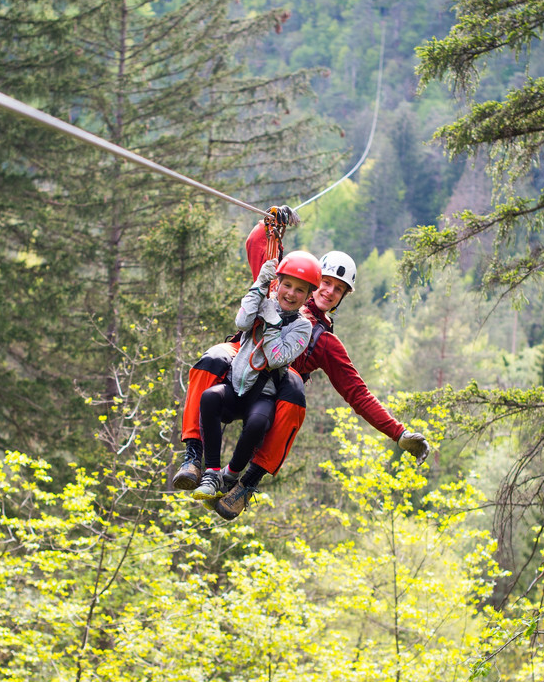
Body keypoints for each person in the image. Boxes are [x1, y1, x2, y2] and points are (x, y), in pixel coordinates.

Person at [174, 205, 430, 519]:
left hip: (273, 388)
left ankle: (247, 482)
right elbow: (257, 245)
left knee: (295, 389)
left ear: (341, 298)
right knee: (212, 357)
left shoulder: (324, 342)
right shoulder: (282, 286)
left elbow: (358, 394)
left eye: (338, 290)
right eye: (326, 282)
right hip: (241, 358)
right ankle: (193, 455)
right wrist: (270, 222)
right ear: (313, 280)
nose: (329, 291)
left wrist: (399, 434)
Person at [191, 249, 322, 501]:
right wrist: (260, 285)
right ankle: (211, 472)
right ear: (279, 284)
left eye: (299, 290)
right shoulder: (265, 303)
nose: (291, 293)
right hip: (235, 387)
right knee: (209, 397)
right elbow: (241, 322)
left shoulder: (303, 326)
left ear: (307, 296)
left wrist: (272, 325)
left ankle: (230, 475)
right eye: (287, 285)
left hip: (262, 394)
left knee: (258, 424)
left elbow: (276, 358)